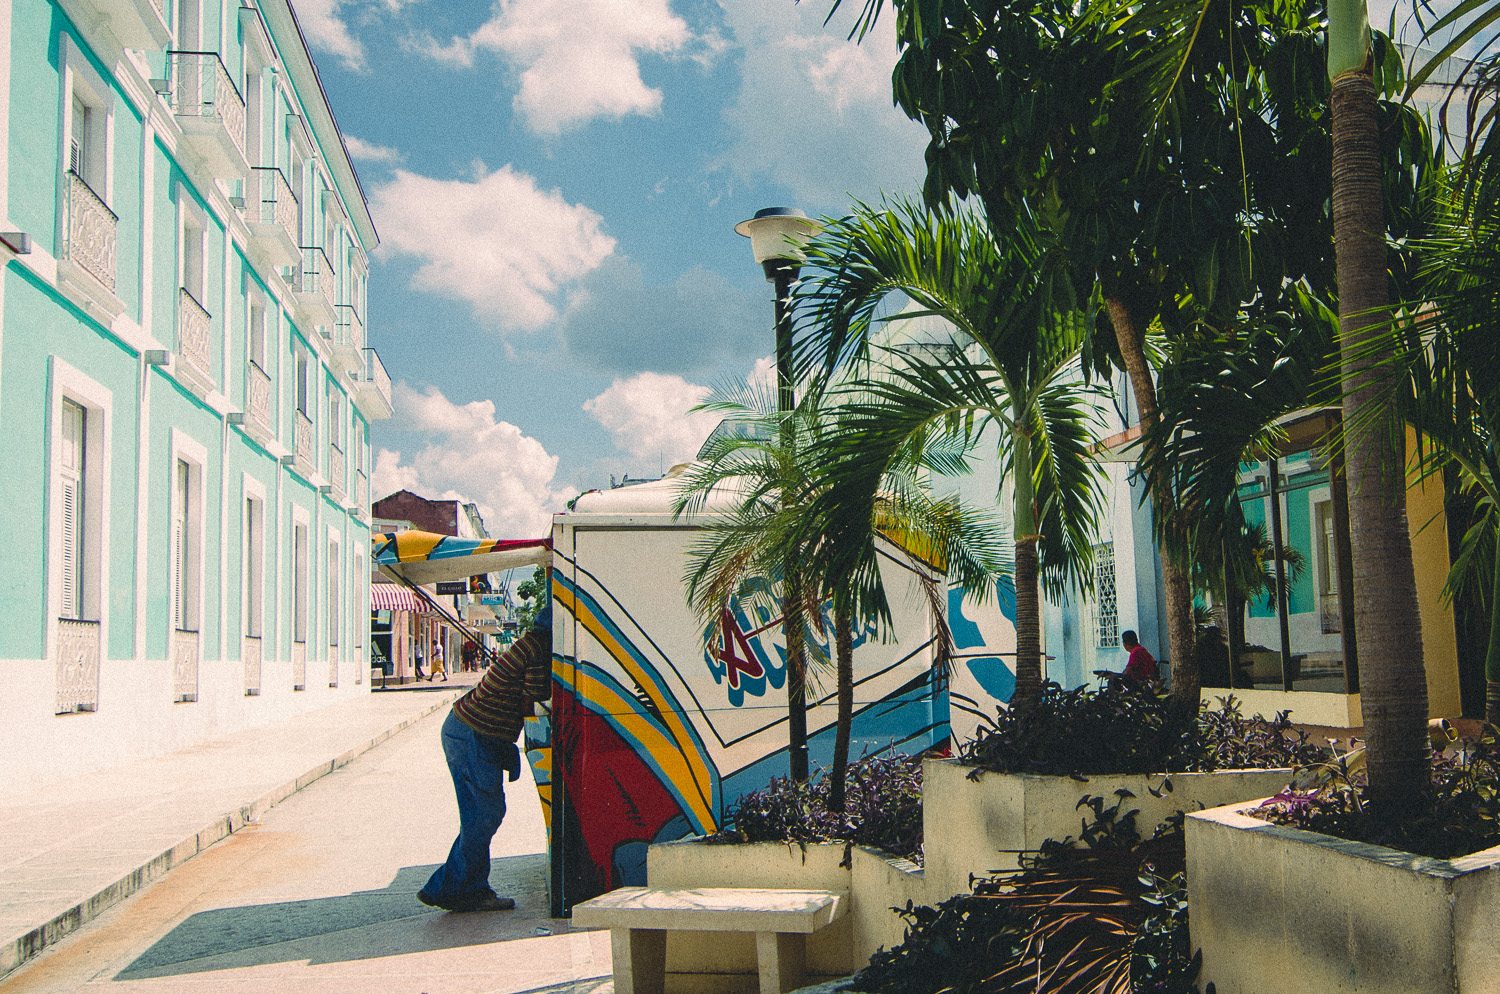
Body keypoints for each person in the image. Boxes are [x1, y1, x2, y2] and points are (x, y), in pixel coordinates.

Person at [418, 600, 552, 912]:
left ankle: (470, 888)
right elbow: (530, 705)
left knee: (483, 814)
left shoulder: (529, 644)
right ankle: (450, 888)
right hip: (472, 734)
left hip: (471, 732)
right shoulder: (537, 652)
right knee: (484, 814)